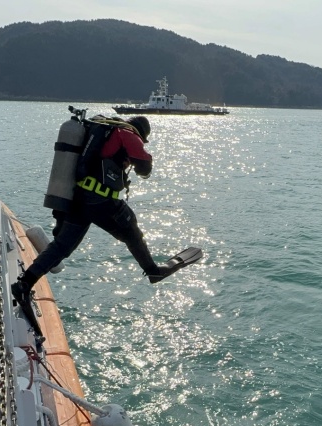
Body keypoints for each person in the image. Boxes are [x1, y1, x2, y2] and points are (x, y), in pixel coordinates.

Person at [11, 114, 202, 306]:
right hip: (101, 201)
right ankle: (153, 271)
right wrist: (135, 160)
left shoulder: (103, 131)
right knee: (132, 232)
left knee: (61, 247)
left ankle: (24, 283)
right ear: (141, 133)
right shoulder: (128, 134)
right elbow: (144, 167)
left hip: (79, 198)